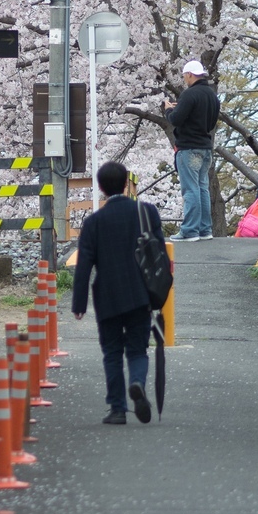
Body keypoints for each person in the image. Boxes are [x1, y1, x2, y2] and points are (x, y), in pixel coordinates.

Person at [71, 161, 161, 425]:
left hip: (108, 297)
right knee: (138, 349)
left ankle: (118, 409)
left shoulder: (94, 222)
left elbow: (84, 265)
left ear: (101, 188)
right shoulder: (147, 213)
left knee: (111, 352)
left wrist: (79, 303)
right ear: (126, 184)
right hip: (140, 293)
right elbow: (158, 255)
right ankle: (137, 382)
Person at [163, 60, 220, 241]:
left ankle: (189, 230)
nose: (184, 79)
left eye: (184, 76)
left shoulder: (190, 94)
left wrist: (168, 111)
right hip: (206, 147)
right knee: (202, 187)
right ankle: (205, 229)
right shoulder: (212, 96)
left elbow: (176, 119)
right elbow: (211, 122)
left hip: (189, 148)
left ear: (189, 74)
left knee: (190, 189)